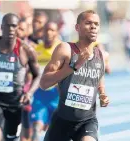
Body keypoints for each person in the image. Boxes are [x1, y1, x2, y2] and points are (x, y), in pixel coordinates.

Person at [40, 10, 110, 141]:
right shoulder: (65, 49)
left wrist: (102, 93)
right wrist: (74, 66)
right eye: (88, 23)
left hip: (87, 121)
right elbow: (44, 83)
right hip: (62, 120)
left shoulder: (100, 54)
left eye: (96, 24)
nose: (93, 26)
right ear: (77, 27)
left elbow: (100, 78)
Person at [0, 13, 40, 141]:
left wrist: (29, 93)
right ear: (1, 27)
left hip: (16, 103)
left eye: (14, 26)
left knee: (10, 138)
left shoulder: (26, 50)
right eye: (7, 26)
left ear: (18, 28)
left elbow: (38, 75)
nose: (10, 29)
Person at [30, 21, 61, 141]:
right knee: (36, 130)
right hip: (40, 96)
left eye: (52, 30)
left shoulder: (62, 49)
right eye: (46, 30)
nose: (49, 33)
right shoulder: (36, 50)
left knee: (56, 133)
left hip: (57, 96)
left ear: (57, 32)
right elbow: (33, 74)